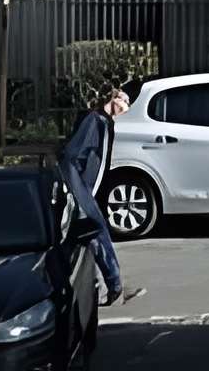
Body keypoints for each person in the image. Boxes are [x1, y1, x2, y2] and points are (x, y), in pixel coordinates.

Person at [63, 86, 135, 304]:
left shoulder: (105, 123)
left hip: (88, 188)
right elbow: (73, 156)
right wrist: (78, 191)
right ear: (114, 99)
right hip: (81, 187)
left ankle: (95, 290)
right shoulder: (94, 121)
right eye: (125, 101)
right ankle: (114, 287)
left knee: (82, 241)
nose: (127, 107)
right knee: (97, 232)